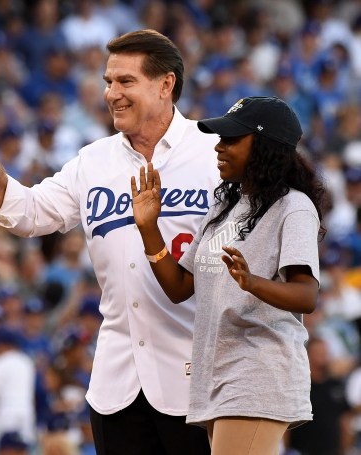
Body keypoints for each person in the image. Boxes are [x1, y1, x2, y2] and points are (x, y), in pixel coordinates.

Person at [0, 29, 219, 453]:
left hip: (200, 376)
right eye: (109, 81)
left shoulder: (214, 153)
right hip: (118, 380)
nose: (112, 93)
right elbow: (32, 212)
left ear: (166, 84)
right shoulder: (94, 160)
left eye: (126, 81)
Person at [130, 96, 325, 454]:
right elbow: (179, 287)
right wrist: (148, 229)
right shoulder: (224, 207)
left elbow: (306, 295)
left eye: (232, 139)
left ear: (264, 146)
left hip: (257, 374)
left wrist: (253, 283)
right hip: (216, 375)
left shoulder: (293, 207)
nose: (219, 147)